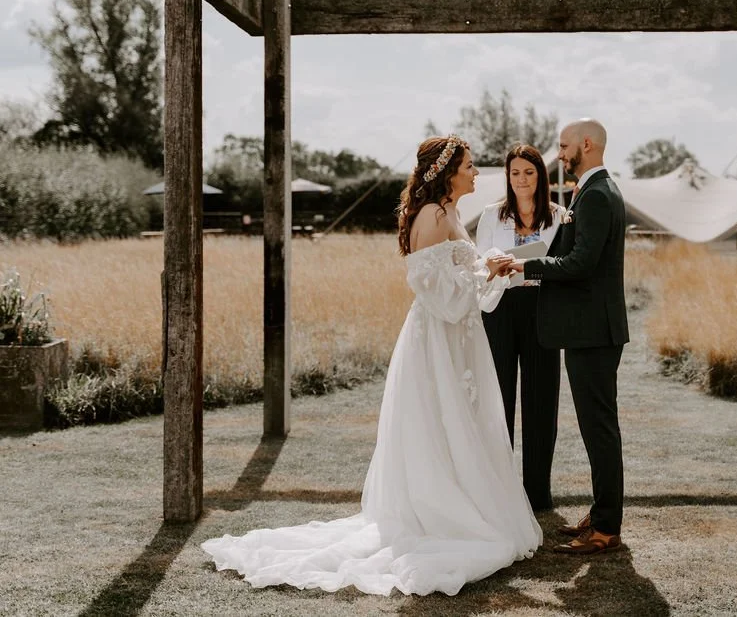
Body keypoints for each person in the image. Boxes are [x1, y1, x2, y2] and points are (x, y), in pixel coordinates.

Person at [201, 134, 543, 596]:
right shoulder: (433, 215)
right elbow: (433, 293)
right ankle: (443, 513)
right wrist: (485, 271)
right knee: (441, 424)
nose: (476, 172)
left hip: (459, 341)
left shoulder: (450, 213)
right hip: (438, 344)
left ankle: (471, 504)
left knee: (463, 423)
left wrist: (488, 271)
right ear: (447, 172)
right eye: (469, 165)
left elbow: (458, 285)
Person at [509, 118, 629, 556]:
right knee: (597, 427)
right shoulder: (593, 191)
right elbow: (568, 253)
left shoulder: (598, 194)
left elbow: (580, 263)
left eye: (563, 146)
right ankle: (602, 515)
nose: (558, 154)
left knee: (599, 429)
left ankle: (606, 529)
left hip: (593, 333)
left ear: (586, 144)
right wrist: (523, 256)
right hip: (590, 330)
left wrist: (526, 267)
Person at [475, 143, 566, 512]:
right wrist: (496, 265)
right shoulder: (491, 215)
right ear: (507, 176)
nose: (521, 179)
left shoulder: (560, 216)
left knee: (541, 400)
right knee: (499, 399)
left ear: (540, 176)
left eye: (529, 172)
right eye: (515, 173)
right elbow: (478, 266)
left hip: (543, 310)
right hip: (499, 309)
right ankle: (499, 490)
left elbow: (564, 263)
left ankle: (537, 494)